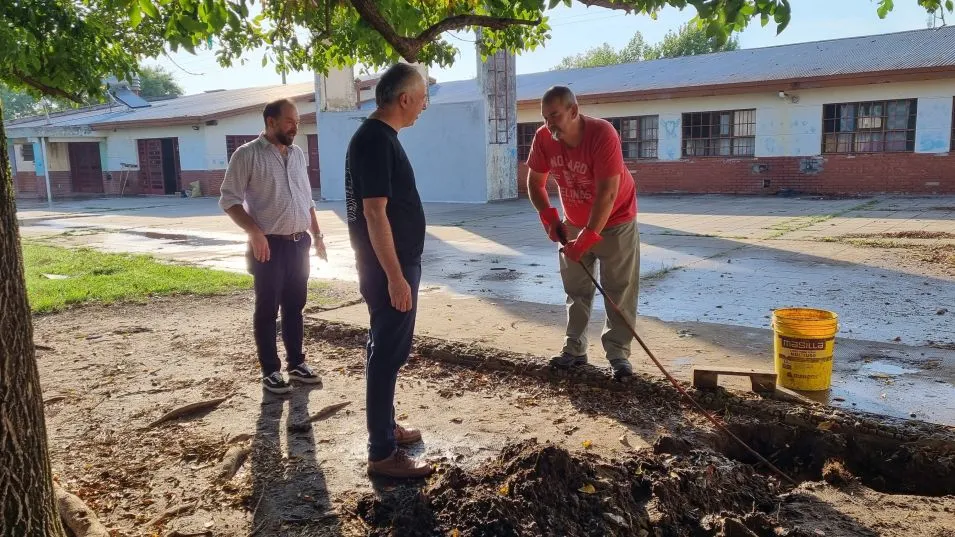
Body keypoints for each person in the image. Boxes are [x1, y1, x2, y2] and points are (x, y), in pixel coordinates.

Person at [344, 63, 432, 479]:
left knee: (383, 349)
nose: (424, 106)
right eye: (422, 98)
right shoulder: (375, 140)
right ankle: (381, 453)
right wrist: (396, 277)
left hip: (387, 264)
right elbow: (374, 214)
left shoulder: (377, 137)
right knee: (387, 355)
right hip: (387, 268)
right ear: (404, 99)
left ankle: (386, 428)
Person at [525, 85, 640, 381]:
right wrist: (550, 219)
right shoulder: (543, 138)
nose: (549, 123)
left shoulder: (602, 134)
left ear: (573, 111)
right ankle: (574, 349)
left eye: (554, 115)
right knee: (575, 290)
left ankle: (618, 355)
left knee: (618, 291)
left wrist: (587, 238)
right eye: (544, 117)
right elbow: (535, 183)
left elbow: (608, 192)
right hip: (573, 220)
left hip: (615, 220)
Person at [219, 98, 327, 395]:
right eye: (290, 121)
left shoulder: (298, 154)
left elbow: (307, 200)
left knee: (295, 307)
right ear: (271, 122)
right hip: (269, 248)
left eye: (297, 122)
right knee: (267, 310)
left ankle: (296, 364)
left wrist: (316, 236)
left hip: (298, 244)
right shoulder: (247, 155)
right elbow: (229, 199)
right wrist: (254, 232)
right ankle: (270, 370)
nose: (295, 127)